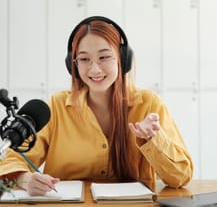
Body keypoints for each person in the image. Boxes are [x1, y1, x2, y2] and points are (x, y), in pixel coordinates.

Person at [0, 16, 193, 196]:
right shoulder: (57, 106)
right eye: (84, 59)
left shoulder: (149, 103)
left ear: (122, 59)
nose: (95, 69)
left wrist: (153, 139)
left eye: (104, 57)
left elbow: (180, 177)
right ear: (73, 64)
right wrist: (25, 179)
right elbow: (11, 160)